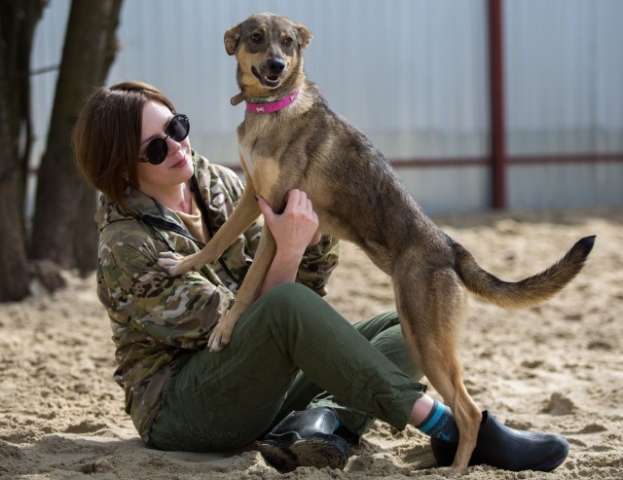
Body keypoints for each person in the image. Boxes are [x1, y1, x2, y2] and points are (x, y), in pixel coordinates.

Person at [74, 80, 569, 473]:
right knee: (287, 309)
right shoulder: (126, 245)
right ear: (121, 170)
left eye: (177, 127)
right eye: (155, 150)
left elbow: (307, 295)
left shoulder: (219, 184)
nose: (178, 147)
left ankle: (316, 427)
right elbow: (237, 331)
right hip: (188, 408)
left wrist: (312, 232)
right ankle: (453, 428)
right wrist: (286, 250)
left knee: (402, 328)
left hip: (263, 382)